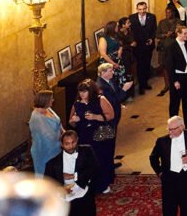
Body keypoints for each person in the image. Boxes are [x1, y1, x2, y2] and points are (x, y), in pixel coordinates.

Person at [149, 116, 187, 216]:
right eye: (168, 129)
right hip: (169, 180)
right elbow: (153, 158)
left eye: (172, 129)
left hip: (186, 179)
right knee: (169, 211)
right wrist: (160, 172)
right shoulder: (162, 141)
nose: (169, 132)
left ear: (181, 127)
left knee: (186, 209)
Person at [95, 63, 132, 193]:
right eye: (110, 71)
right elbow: (112, 101)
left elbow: (115, 98)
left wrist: (119, 104)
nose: (112, 73)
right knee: (109, 141)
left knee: (113, 140)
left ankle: (110, 163)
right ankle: (108, 167)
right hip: (108, 120)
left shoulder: (110, 81)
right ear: (102, 73)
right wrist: (124, 90)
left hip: (114, 115)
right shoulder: (101, 86)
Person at [45, 130, 99, 216]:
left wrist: (74, 176)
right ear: (62, 145)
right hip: (65, 196)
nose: (71, 146)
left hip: (83, 190)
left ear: (77, 140)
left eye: (73, 142)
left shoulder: (86, 151)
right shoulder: (52, 163)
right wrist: (61, 189)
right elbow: (48, 183)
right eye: (67, 144)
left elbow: (95, 169)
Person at [168, 25, 187, 126]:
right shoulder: (171, 47)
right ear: (178, 34)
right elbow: (170, 66)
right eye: (185, 33)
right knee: (175, 103)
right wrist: (174, 81)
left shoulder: (186, 44)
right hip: (178, 78)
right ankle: (173, 125)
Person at [30, 90, 63, 176]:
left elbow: (58, 121)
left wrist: (63, 130)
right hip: (44, 152)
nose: (53, 100)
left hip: (56, 148)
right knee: (47, 176)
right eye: (51, 99)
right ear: (44, 100)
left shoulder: (48, 109)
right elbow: (50, 136)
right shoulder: (36, 117)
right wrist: (64, 137)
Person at [129, 1, 157, 95]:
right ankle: (141, 86)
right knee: (140, 65)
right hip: (137, 46)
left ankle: (145, 82)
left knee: (146, 64)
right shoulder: (132, 18)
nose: (142, 11)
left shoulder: (152, 17)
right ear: (137, 9)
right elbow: (130, 32)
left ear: (146, 8)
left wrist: (151, 39)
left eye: (144, 9)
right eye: (140, 9)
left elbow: (154, 30)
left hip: (148, 45)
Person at [156, 7, 182, 95]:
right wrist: (164, 35)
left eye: (170, 12)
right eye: (166, 12)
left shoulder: (178, 22)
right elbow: (157, 34)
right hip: (164, 48)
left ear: (173, 13)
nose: (168, 14)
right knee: (165, 66)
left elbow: (182, 33)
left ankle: (176, 83)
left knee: (175, 66)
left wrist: (173, 34)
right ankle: (167, 85)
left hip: (175, 47)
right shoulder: (162, 22)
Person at [97, 20, 126, 89]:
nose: (118, 28)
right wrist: (113, 64)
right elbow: (103, 54)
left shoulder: (116, 35)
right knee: (112, 81)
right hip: (109, 63)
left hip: (118, 61)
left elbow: (121, 44)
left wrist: (120, 50)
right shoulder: (103, 39)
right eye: (116, 26)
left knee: (121, 78)